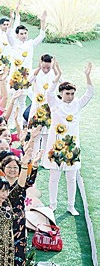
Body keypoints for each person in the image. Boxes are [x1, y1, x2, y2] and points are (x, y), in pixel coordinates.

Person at [43, 61, 93, 215]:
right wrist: (57, 75)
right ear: (62, 93)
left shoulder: (77, 104)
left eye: (72, 93)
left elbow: (89, 93)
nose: (70, 96)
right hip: (56, 146)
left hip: (72, 148)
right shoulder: (54, 103)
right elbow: (49, 93)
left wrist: (87, 76)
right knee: (54, 177)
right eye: (67, 93)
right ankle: (52, 205)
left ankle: (71, 206)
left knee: (71, 178)